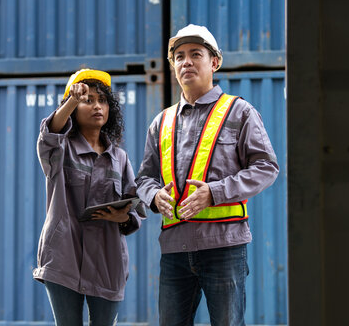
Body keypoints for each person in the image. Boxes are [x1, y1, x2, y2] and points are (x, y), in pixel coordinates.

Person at [135, 24, 279, 326]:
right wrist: (153, 195)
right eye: (179, 57)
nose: (186, 62)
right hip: (174, 249)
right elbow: (144, 178)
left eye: (195, 54)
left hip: (224, 247)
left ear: (214, 62)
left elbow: (267, 167)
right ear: (173, 66)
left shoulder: (240, 112)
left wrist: (215, 192)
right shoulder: (160, 122)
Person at [33, 69, 146, 325]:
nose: (97, 106)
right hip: (64, 254)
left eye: (102, 100)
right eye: (88, 100)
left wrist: (123, 216)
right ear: (72, 108)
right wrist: (73, 98)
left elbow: (134, 209)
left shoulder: (120, 158)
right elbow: (49, 133)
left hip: (108, 260)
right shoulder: (59, 149)